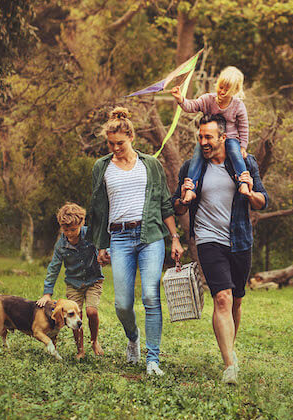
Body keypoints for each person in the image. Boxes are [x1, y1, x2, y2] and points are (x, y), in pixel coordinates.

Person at [86, 107, 184, 376]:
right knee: (123, 304)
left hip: (150, 236)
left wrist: (174, 238)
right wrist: (100, 244)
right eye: (111, 143)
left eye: (120, 143)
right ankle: (133, 337)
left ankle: (153, 359)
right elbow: (97, 208)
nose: (115, 148)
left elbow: (165, 204)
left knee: (151, 296)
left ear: (132, 138)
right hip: (119, 238)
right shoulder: (101, 167)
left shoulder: (150, 164)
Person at [171, 114, 268, 385]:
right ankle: (229, 366)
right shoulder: (192, 167)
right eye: (200, 137)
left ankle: (230, 350)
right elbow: (177, 206)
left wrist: (249, 194)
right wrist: (182, 196)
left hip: (239, 240)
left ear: (223, 137)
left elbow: (263, 200)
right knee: (222, 298)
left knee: (236, 299)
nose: (203, 142)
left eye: (208, 137)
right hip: (207, 239)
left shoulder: (245, 163)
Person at [170, 66, 251, 196]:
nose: (223, 92)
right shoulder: (208, 99)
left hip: (230, 138)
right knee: (197, 156)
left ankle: (243, 183)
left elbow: (243, 127)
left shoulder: (238, 105)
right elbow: (192, 106)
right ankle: (191, 188)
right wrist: (181, 99)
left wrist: (243, 146)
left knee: (235, 154)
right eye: (221, 87)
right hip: (209, 139)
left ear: (235, 91)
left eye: (227, 89)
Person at [37, 202, 104, 359]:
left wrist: (105, 255)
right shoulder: (61, 245)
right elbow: (54, 268)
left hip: (93, 281)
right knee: (75, 315)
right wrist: (47, 293)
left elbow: (104, 247)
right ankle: (80, 349)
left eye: (73, 229)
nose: (70, 233)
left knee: (91, 311)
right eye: (65, 230)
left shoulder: (91, 235)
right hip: (74, 284)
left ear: (81, 224)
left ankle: (94, 341)